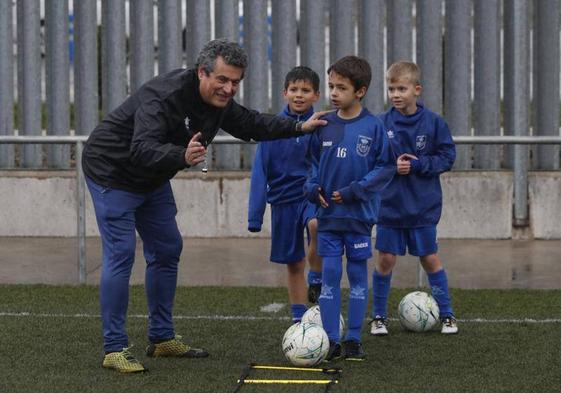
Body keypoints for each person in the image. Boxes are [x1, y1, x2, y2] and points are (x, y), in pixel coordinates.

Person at [82, 38, 327, 373]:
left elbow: (251, 124)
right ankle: (114, 348)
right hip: (111, 171)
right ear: (201, 72)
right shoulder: (163, 95)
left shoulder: (220, 102)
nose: (228, 89)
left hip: (150, 178)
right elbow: (141, 147)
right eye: (222, 80)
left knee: (168, 248)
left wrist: (299, 125)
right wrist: (180, 155)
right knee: (121, 253)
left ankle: (162, 338)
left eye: (236, 82)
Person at [304, 56, 394, 361]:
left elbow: (385, 168)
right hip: (328, 219)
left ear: (360, 91)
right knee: (329, 275)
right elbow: (312, 168)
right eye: (331, 86)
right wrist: (312, 190)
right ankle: (331, 341)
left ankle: (354, 339)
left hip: (358, 218)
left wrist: (355, 191)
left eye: (341, 87)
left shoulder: (374, 127)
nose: (334, 92)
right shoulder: (323, 125)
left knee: (357, 277)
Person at [370, 61, 458, 336]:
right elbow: (371, 162)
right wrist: (391, 167)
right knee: (385, 259)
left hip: (422, 207)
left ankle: (447, 315)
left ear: (416, 90)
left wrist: (419, 165)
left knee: (430, 258)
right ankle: (378, 317)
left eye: (402, 88)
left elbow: (447, 157)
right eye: (391, 88)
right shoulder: (381, 124)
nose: (395, 94)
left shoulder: (433, 123)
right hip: (389, 208)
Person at [247, 66, 323, 324]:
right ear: (284, 93)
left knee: (317, 225)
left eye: (305, 90)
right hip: (282, 201)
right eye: (294, 90)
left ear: (316, 95)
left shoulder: (323, 126)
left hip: (311, 196)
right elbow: (260, 172)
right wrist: (254, 217)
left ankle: (317, 277)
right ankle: (298, 320)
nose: (299, 95)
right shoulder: (272, 129)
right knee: (293, 264)